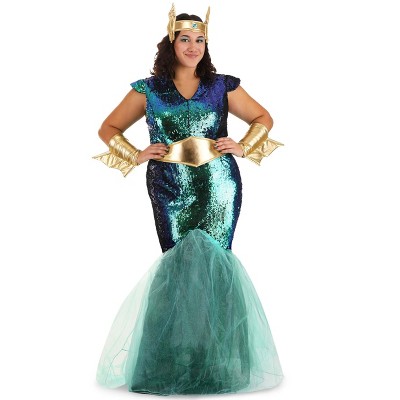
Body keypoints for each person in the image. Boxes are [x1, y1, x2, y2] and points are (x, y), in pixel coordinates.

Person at [94, 4, 284, 395]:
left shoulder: (222, 86)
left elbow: (263, 118)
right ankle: (169, 364)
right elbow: (108, 127)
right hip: (168, 185)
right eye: (185, 39)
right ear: (171, 43)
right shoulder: (148, 90)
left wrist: (243, 145)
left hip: (218, 185)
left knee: (215, 264)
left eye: (200, 40)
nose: (193, 46)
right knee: (177, 265)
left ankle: (219, 365)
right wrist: (136, 154)